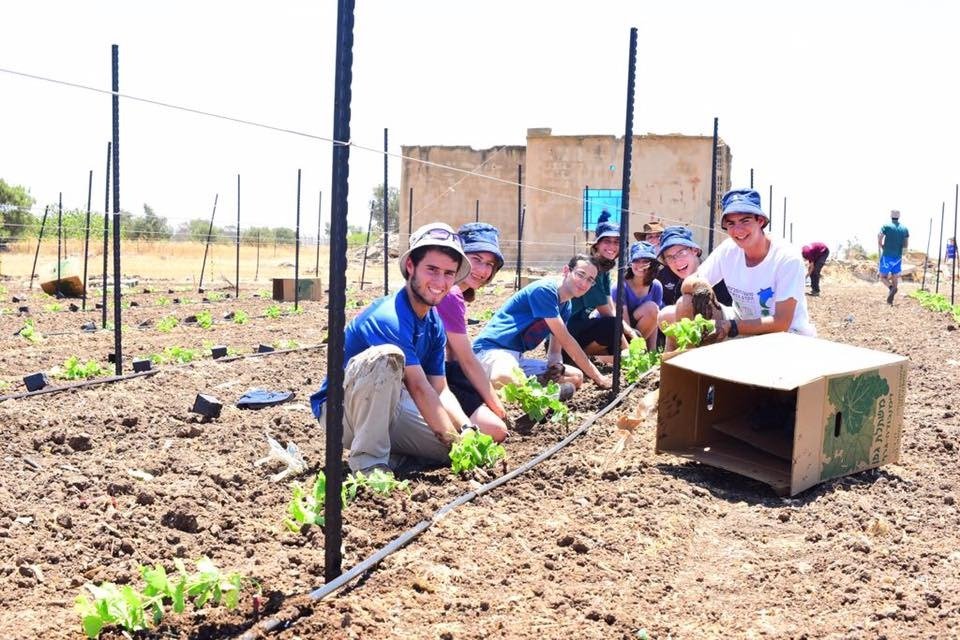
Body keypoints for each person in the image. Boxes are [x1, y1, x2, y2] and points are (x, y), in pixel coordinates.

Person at [309, 222, 476, 474]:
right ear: (411, 267)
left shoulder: (433, 323)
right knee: (388, 356)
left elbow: (439, 390)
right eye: (431, 269)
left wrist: (466, 431)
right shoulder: (389, 317)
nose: (440, 281)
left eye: (449, 273)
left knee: (447, 452)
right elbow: (420, 389)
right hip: (340, 412)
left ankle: (394, 458)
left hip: (388, 406)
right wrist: (456, 442)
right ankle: (370, 465)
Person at [671, 188, 814, 347]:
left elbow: (781, 322)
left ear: (760, 221)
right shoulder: (728, 250)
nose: (738, 230)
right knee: (685, 303)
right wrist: (700, 286)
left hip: (785, 336)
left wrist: (731, 327)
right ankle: (685, 367)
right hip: (740, 324)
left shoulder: (786, 258)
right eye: (731, 223)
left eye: (745, 220)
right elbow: (690, 282)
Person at [473, 254, 612, 392]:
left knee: (576, 376)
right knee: (503, 377)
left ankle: (532, 391)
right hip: (492, 351)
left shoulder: (566, 306)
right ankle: (540, 394)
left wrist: (556, 365)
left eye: (590, 280)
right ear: (566, 271)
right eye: (580, 274)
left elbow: (554, 352)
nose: (584, 283)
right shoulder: (545, 291)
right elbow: (567, 341)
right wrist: (598, 377)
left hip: (516, 357)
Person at [435, 222, 509, 442]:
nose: (483, 270)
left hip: (441, 372)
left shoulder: (456, 293)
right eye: (476, 259)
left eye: (490, 264)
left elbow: (457, 356)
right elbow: (466, 359)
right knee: (496, 430)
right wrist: (497, 405)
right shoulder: (451, 294)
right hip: (430, 378)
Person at [565, 210, 636, 361]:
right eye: (607, 241)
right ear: (596, 245)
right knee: (612, 328)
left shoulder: (604, 270)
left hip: (581, 327)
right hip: (566, 334)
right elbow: (606, 313)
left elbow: (610, 306)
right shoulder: (592, 270)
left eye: (616, 242)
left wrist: (631, 332)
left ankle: (600, 358)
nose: (612, 246)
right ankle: (580, 357)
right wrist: (629, 350)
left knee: (628, 333)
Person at [656, 225, 732, 325]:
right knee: (666, 315)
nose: (677, 261)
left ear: (694, 250)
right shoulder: (680, 284)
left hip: (730, 327)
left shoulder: (715, 273)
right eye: (669, 257)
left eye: (681, 253)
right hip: (703, 331)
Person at [611, 241, 663, 351]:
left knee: (653, 309)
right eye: (636, 260)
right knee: (651, 308)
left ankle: (638, 352)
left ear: (652, 264)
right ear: (630, 263)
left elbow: (654, 322)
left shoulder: (656, 286)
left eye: (645, 261)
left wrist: (652, 351)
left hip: (639, 333)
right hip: (620, 330)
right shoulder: (619, 286)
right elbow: (623, 322)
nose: (640, 265)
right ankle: (630, 352)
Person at [878, 209, 909, 304]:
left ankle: (891, 288)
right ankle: (892, 295)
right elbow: (906, 244)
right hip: (898, 256)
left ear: (891, 216)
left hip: (887, 254)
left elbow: (880, 236)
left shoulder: (886, 226)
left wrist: (881, 245)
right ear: (899, 217)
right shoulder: (904, 228)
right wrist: (902, 251)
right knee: (895, 275)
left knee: (882, 277)